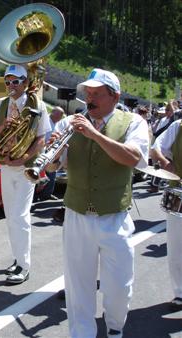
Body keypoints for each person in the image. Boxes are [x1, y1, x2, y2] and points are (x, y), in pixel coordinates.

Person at [50, 68, 149, 338]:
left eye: (96, 94)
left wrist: (95, 135)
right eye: (87, 93)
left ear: (114, 96)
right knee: (77, 284)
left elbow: (132, 158)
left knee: (118, 286)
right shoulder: (70, 123)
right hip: (76, 214)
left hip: (113, 215)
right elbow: (52, 165)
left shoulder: (133, 123)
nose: (89, 99)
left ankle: (115, 326)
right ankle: (82, 333)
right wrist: (52, 153)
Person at [0, 64, 51, 285]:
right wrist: (5, 124)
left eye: (16, 82)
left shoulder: (38, 105)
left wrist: (24, 158)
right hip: (6, 164)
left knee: (21, 215)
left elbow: (42, 139)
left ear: (25, 83)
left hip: (25, 167)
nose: (11, 86)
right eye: (7, 82)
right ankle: (18, 258)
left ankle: (24, 266)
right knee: (10, 215)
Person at [150, 119, 182, 311]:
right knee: (177, 246)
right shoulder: (178, 126)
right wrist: (164, 162)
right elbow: (156, 147)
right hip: (180, 189)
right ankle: (180, 292)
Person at [39, 106, 65, 201]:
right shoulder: (45, 121)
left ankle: (47, 194)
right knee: (40, 175)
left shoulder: (58, 124)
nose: (60, 117)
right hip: (42, 151)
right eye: (59, 114)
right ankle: (36, 196)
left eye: (61, 115)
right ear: (53, 113)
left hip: (53, 152)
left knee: (52, 175)